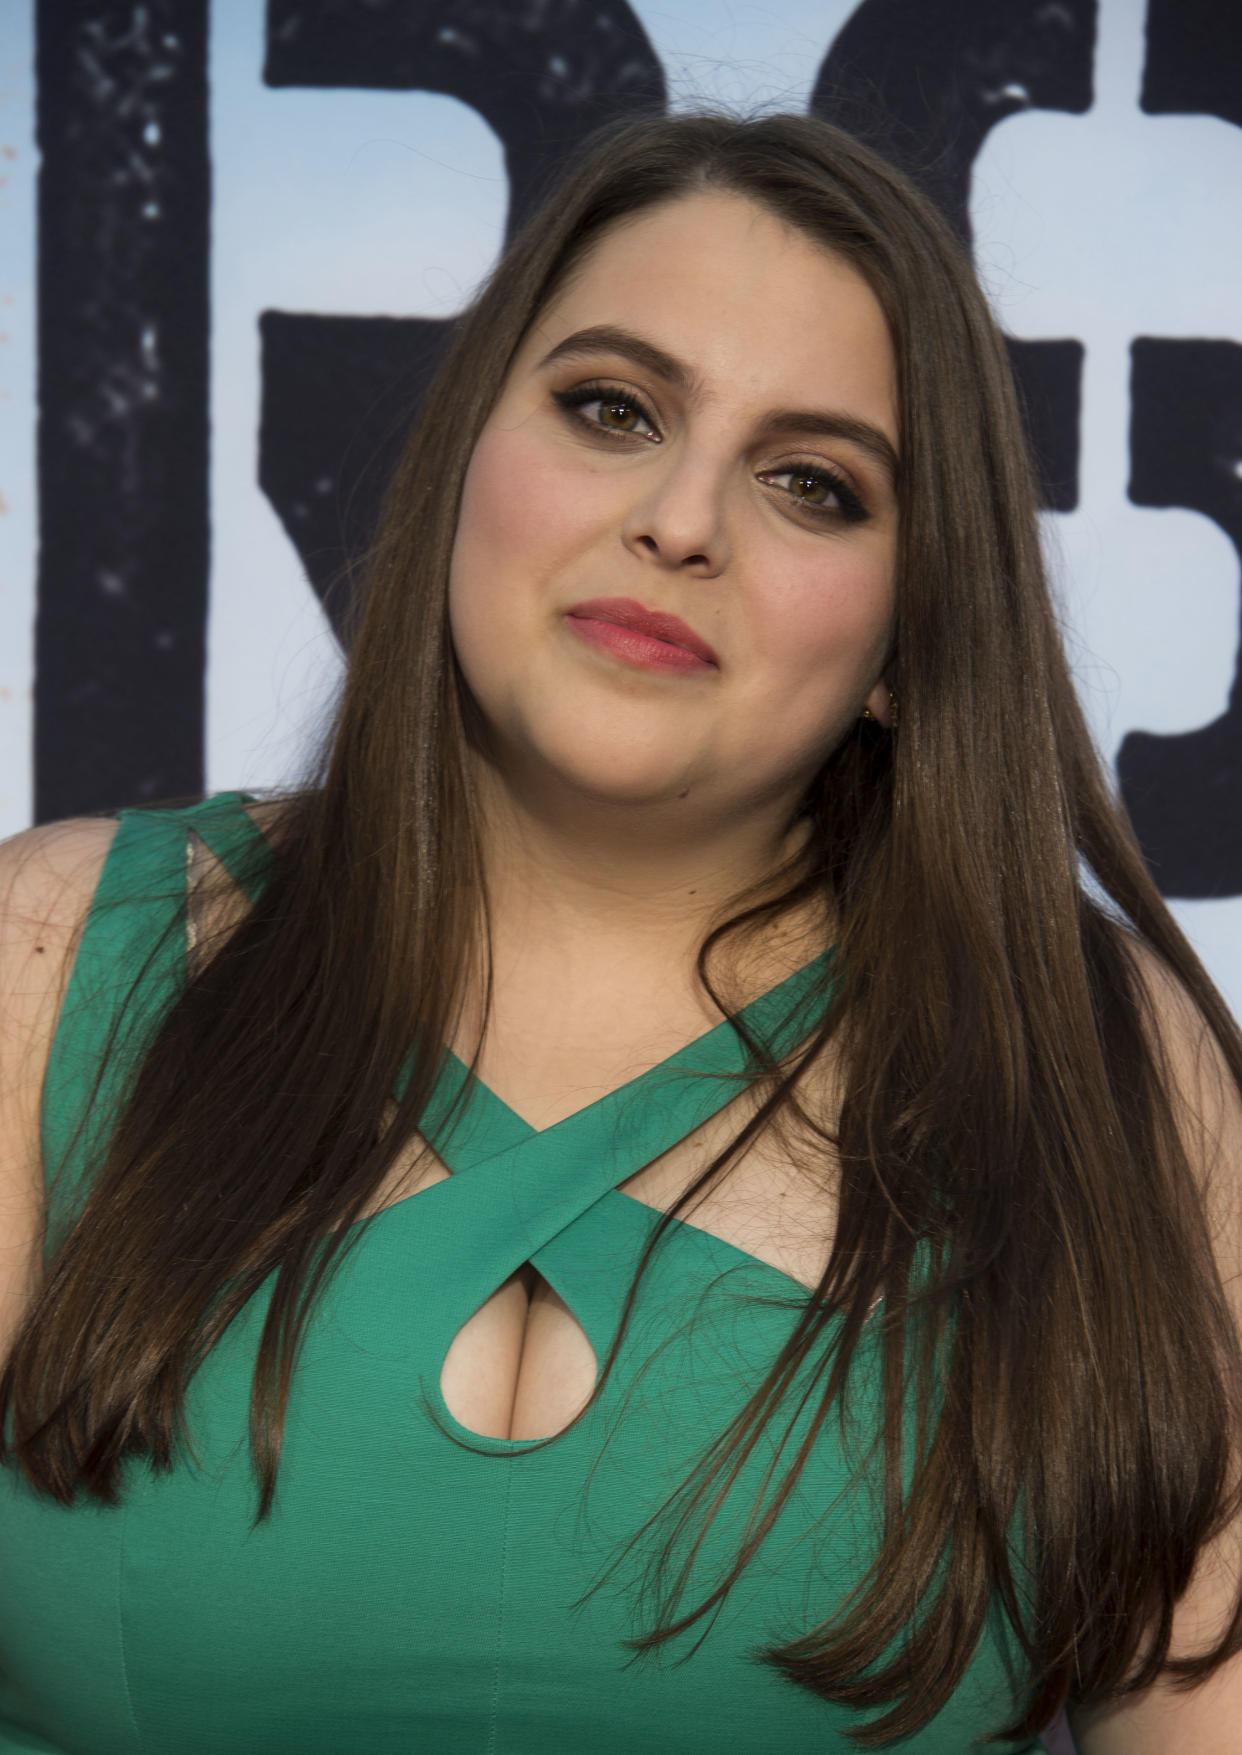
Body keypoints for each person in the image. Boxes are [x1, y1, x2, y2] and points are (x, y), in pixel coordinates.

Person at [1, 110, 1240, 1755]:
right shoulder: (54, 950)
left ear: (905, 635)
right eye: (610, 408)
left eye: (812, 483)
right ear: (460, 462)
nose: (679, 517)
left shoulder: (1104, 1075)